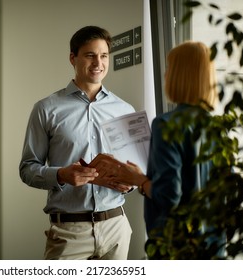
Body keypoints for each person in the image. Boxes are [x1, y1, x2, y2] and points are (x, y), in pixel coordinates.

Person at [19, 26, 136, 260]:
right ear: (73, 58)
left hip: (116, 229)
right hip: (68, 232)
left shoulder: (125, 110)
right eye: (90, 55)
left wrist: (129, 183)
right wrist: (61, 175)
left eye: (104, 56)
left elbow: (135, 167)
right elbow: (27, 169)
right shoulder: (46, 109)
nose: (98, 63)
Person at [90, 41, 218, 245]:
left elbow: (169, 197)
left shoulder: (167, 125)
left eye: (169, 68)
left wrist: (139, 179)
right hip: (212, 244)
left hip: (176, 247)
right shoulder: (219, 127)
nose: (166, 75)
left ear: (180, 75)